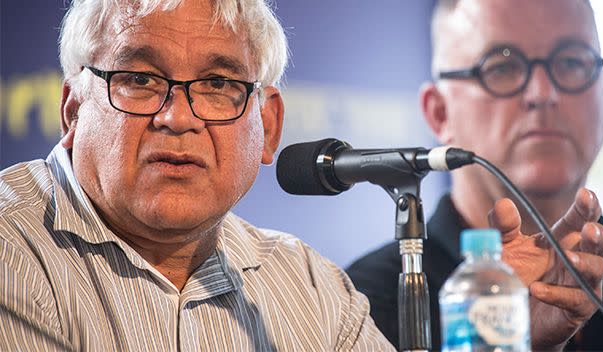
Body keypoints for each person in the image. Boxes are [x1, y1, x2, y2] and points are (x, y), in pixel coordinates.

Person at [0, 1, 399, 350]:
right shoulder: (11, 250)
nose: (178, 118)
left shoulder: (315, 290)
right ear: (73, 110)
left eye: (218, 84)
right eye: (140, 79)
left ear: (268, 125)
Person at [347, 0, 603, 351]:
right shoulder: (358, 307)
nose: (543, 94)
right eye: (502, 67)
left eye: (572, 63)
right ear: (440, 113)